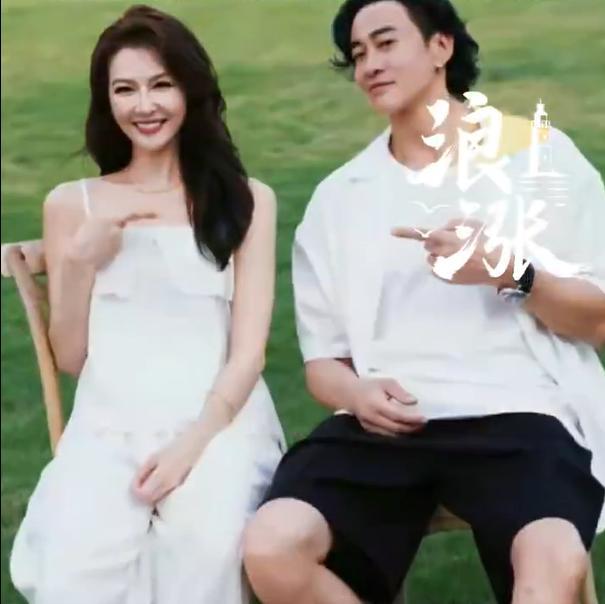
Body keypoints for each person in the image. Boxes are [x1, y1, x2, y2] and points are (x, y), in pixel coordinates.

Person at [243, 1, 605, 603]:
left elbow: (598, 318)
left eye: (386, 43)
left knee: (555, 561)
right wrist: (356, 394)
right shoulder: (341, 197)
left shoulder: (540, 160)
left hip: (521, 415)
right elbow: (323, 363)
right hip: (385, 428)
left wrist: (509, 271)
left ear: (441, 47)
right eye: (358, 53)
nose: (369, 65)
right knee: (271, 545)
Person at [10, 5, 285, 603]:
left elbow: (249, 355)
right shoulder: (73, 204)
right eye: (125, 89)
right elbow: (71, 358)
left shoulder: (246, 200)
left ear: (190, 88)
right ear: (105, 100)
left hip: (219, 421)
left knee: (206, 552)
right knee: (76, 567)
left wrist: (191, 446)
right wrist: (80, 262)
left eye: (161, 84)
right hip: (108, 424)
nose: (144, 105)